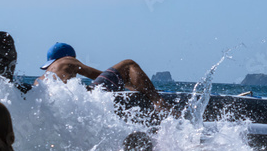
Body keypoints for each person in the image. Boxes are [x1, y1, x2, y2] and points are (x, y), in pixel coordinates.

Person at [38, 42, 169, 112]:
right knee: (128, 64)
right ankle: (158, 102)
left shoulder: (43, 78)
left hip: (53, 107)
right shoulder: (67, 60)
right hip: (72, 103)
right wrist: (130, 86)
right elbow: (98, 75)